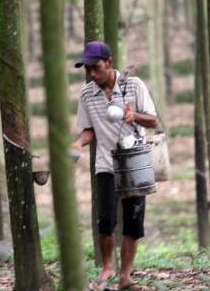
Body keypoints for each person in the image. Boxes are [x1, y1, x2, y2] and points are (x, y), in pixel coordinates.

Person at [72, 41, 158, 291]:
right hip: (106, 164)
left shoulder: (134, 85)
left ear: (109, 62)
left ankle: (125, 277)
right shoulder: (87, 94)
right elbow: (89, 130)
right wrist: (78, 144)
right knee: (106, 220)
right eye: (87, 69)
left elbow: (153, 120)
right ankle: (107, 268)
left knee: (133, 221)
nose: (92, 73)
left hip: (134, 164)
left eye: (95, 67)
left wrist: (134, 116)